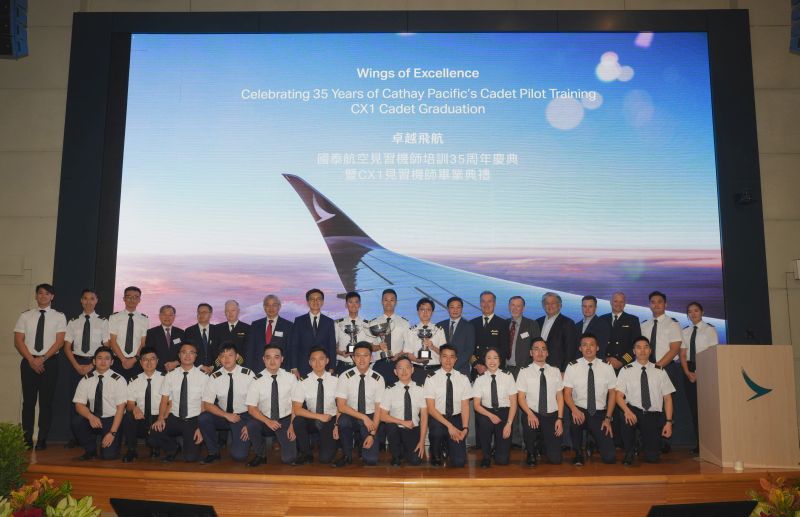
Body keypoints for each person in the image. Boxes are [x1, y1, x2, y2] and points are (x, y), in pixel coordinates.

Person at [14, 283, 67, 450]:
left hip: (49, 363)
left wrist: (42, 358)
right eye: (40, 293)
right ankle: (27, 438)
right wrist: (31, 360)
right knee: (28, 402)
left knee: (46, 403)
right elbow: (18, 340)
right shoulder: (25, 316)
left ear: (52, 297)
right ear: (36, 296)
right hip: (28, 362)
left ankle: (42, 438)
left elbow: (59, 342)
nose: (43, 296)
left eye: (47, 294)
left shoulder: (59, 316)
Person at [615, 336, 675, 465]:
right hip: (633, 412)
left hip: (652, 415)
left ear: (650, 351)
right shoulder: (625, 370)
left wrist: (669, 422)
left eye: (646, 347)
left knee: (652, 458)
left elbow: (668, 399)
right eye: (638, 347)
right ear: (633, 351)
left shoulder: (660, 371)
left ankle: (644, 445)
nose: (642, 350)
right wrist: (626, 410)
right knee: (625, 417)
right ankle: (629, 451)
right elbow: (618, 396)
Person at [63, 289, 109, 448]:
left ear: (97, 301)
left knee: (95, 400)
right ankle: (74, 437)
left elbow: (106, 346)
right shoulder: (73, 321)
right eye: (85, 299)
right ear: (81, 301)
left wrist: (92, 365)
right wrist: (76, 365)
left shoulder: (103, 321)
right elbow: (67, 347)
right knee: (76, 401)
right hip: (76, 364)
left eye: (92, 299)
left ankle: (94, 436)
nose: (89, 301)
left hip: (96, 364)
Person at [563, 333, 617, 465]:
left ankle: (592, 443)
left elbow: (613, 394)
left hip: (598, 413)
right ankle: (578, 453)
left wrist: (608, 418)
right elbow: (567, 393)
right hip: (579, 410)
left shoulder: (607, 367)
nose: (588, 348)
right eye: (584, 345)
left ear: (597, 348)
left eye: (592, 345)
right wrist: (574, 410)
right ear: (580, 348)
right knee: (575, 422)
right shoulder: (572, 366)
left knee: (610, 458)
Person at [152, 341, 209, 463]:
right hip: (175, 417)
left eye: (191, 352)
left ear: (196, 356)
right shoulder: (170, 376)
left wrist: (201, 428)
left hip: (194, 419)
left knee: (190, 458)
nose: (187, 355)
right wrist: (160, 418)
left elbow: (204, 405)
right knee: (154, 431)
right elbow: (164, 401)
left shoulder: (203, 377)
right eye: (184, 352)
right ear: (179, 355)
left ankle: (188, 445)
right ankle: (173, 448)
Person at [640, 291, 682, 453]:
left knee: (666, 404)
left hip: (666, 368)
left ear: (665, 305)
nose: (656, 304)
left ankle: (665, 441)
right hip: (647, 370)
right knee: (649, 404)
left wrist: (658, 366)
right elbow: (640, 348)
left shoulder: (673, 324)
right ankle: (649, 440)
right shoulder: (644, 325)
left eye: (659, 302)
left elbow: (675, 348)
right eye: (653, 302)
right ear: (649, 305)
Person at [199, 343, 256, 463]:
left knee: (239, 456)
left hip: (243, 417)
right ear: (219, 359)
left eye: (230, 355)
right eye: (223, 356)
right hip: (223, 415)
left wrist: (251, 425)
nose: (226, 359)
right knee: (204, 418)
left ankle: (250, 442)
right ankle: (213, 452)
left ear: (237, 357)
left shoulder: (248, 374)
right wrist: (226, 415)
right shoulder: (215, 377)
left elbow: (257, 402)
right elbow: (207, 404)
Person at [245, 344, 298, 466]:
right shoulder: (256, 380)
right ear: (263, 360)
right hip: (265, 420)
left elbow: (296, 405)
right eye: (268, 357)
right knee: (252, 424)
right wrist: (267, 421)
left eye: (276, 357)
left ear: (282, 359)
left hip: (286, 420)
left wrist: (292, 425)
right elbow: (251, 409)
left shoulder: (291, 378)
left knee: (289, 459)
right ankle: (260, 455)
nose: (272, 361)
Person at [333, 341, 384, 467]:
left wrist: (372, 434)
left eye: (365, 355)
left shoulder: (378, 379)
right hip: (352, 415)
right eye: (358, 355)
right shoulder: (345, 376)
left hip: (371, 416)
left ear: (371, 357)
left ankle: (363, 444)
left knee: (371, 460)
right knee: (343, 421)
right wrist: (363, 417)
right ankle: (347, 455)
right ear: (353, 358)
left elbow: (379, 410)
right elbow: (341, 406)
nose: (361, 359)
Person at [71, 346, 126, 460]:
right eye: (99, 358)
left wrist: (112, 433)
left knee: (108, 456)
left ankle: (113, 441)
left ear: (112, 362)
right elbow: (78, 405)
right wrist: (90, 416)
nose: (103, 361)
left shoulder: (119, 380)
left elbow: (121, 409)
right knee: (77, 421)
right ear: (94, 361)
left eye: (107, 358)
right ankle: (90, 451)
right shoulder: (86, 379)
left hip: (112, 419)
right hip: (94, 417)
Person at [516, 338, 564, 466]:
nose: (540, 352)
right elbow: (521, 397)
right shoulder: (524, 371)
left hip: (551, 415)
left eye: (543, 349)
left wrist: (560, 418)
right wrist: (530, 414)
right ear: (531, 353)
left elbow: (559, 396)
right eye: (536, 349)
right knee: (527, 420)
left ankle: (542, 445)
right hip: (533, 413)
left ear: (547, 353)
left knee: (555, 459)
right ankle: (531, 451)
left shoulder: (555, 371)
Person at [679, 301, 718, 454]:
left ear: (702, 312)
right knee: (694, 409)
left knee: (707, 409)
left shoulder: (710, 330)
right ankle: (699, 444)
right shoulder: (685, 331)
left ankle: (711, 443)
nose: (693, 314)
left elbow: (711, 351)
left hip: (706, 368)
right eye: (690, 311)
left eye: (696, 310)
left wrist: (700, 371)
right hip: (688, 370)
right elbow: (682, 354)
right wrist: (688, 372)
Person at [290, 347, 340, 465]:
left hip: (330, 420)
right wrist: (291, 425)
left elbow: (341, 406)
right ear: (309, 362)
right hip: (313, 418)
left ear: (327, 360)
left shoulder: (336, 380)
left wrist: (337, 424)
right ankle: (306, 454)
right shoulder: (303, 381)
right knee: (298, 421)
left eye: (321, 359)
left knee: (325, 459)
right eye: (313, 360)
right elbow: (297, 409)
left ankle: (333, 444)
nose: (317, 363)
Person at [424, 345, 471, 468]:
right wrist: (449, 426)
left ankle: (448, 445)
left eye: (452, 357)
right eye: (444, 356)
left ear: (456, 359)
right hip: (438, 417)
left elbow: (465, 405)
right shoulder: (431, 379)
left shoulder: (463, 379)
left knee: (459, 462)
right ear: (439, 358)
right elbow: (430, 408)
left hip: (456, 418)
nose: (448, 360)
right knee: (437, 431)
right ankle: (435, 451)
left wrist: (465, 428)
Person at [472, 348, 518, 468]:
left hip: (504, 413)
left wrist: (509, 424)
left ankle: (497, 450)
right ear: (484, 361)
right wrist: (490, 415)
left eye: (495, 358)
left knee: (502, 461)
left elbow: (514, 403)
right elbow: (476, 405)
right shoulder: (479, 379)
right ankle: (486, 456)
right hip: (487, 412)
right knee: (483, 422)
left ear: (500, 361)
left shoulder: (508, 376)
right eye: (489, 358)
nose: (492, 361)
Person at [380, 356, 428, 467]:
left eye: (407, 367)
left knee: (415, 461)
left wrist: (422, 442)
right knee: (390, 425)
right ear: (395, 372)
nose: (404, 371)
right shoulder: (389, 390)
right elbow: (382, 416)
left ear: (412, 369)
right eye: (400, 368)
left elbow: (424, 417)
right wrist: (402, 422)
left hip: (413, 429)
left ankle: (405, 451)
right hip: (396, 429)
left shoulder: (420, 389)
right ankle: (396, 455)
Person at [121, 346, 164, 462]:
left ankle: (156, 447)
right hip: (142, 417)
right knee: (128, 415)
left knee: (154, 440)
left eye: (152, 359)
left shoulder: (166, 378)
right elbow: (129, 403)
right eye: (145, 359)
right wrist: (134, 408)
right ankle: (131, 450)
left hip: (159, 418)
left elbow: (170, 403)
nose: (149, 362)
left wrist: (161, 418)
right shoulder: (134, 380)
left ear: (157, 361)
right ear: (140, 362)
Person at [289, 289, 336, 377]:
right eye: (312, 299)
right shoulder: (299, 321)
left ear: (322, 302)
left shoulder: (329, 322)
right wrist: (294, 367)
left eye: (318, 299)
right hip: (302, 366)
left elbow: (332, 346)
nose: (315, 301)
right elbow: (294, 345)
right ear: (307, 302)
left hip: (323, 366)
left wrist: (332, 367)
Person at [368, 289, 410, 383]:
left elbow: (409, 346)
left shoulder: (404, 323)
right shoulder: (373, 323)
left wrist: (400, 354)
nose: (388, 303)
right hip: (379, 364)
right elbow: (369, 346)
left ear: (396, 302)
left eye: (392, 300)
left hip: (398, 364)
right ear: (382, 301)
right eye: (386, 300)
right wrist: (379, 347)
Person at [108, 286, 148, 380]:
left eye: (135, 297)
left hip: (137, 362)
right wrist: (124, 360)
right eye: (129, 296)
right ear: (124, 299)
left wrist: (133, 360)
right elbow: (112, 342)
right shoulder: (114, 317)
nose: (132, 299)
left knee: (135, 392)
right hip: (118, 361)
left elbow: (143, 343)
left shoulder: (144, 319)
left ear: (139, 300)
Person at [246, 294, 293, 373]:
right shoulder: (255, 325)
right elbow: (250, 350)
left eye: (274, 305)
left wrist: (289, 370)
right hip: (258, 370)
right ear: (264, 307)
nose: (271, 308)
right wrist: (247, 369)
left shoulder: (288, 326)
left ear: (279, 306)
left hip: (281, 370)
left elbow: (290, 351)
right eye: (268, 305)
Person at [406, 298, 447, 385]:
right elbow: (408, 354)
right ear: (417, 311)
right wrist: (419, 361)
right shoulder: (411, 330)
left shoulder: (438, 330)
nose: (425, 312)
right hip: (417, 371)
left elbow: (444, 353)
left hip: (435, 370)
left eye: (428, 310)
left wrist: (433, 347)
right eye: (422, 309)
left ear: (432, 312)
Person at [470, 291, 509, 379]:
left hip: (496, 371)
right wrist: (477, 365)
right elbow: (469, 348)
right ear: (480, 303)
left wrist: (489, 366)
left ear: (494, 303)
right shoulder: (472, 323)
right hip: (477, 371)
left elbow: (504, 349)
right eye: (483, 301)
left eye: (489, 301)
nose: (486, 304)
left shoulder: (503, 323)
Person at [535, 292, 577, 373]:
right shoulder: (537, 322)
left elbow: (570, 350)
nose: (550, 306)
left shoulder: (568, 323)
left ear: (560, 305)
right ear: (543, 306)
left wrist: (564, 370)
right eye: (547, 303)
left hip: (558, 369)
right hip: (537, 368)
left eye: (553, 303)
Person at [334, 291, 373, 376]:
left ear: (360, 305)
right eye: (350, 302)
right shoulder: (338, 324)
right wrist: (341, 353)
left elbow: (370, 346)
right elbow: (333, 346)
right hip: (343, 365)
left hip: (362, 366)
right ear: (346, 305)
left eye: (356, 302)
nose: (353, 305)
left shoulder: (367, 324)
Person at [599, 292, 641, 370]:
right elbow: (597, 344)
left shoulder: (633, 320)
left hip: (625, 366)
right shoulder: (602, 319)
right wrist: (605, 359)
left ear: (625, 303)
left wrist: (622, 362)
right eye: (615, 301)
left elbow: (636, 346)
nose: (618, 304)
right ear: (611, 302)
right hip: (604, 364)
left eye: (621, 301)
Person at [436, 296, 475, 376]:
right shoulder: (440, 326)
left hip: (461, 370)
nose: (455, 310)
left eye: (458, 307)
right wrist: (445, 365)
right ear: (448, 309)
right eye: (452, 307)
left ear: (462, 309)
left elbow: (469, 350)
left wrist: (453, 366)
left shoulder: (469, 327)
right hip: (442, 370)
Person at [506, 296, 540, 377]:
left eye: (518, 306)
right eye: (512, 305)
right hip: (505, 370)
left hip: (525, 371)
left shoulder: (532, 324)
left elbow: (537, 348)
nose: (515, 308)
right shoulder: (503, 324)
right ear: (509, 307)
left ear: (523, 308)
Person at [145, 304, 184, 373]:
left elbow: (183, 351)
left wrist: (176, 363)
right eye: (164, 314)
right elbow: (149, 353)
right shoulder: (151, 333)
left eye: (170, 315)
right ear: (160, 316)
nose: (167, 317)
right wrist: (165, 365)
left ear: (174, 317)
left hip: (177, 371)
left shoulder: (181, 333)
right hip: (157, 371)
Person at [183, 303, 219, 374]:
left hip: (214, 371)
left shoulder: (217, 330)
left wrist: (214, 366)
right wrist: (200, 366)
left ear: (210, 314)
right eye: (199, 312)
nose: (201, 314)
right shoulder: (189, 331)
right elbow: (187, 351)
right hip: (195, 370)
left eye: (204, 312)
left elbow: (220, 350)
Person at [575, 296, 611, 360]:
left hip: (595, 364)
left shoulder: (603, 325)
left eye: (590, 306)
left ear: (596, 307)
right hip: (578, 365)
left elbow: (601, 349)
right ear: (581, 307)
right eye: (584, 306)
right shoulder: (576, 326)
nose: (587, 309)